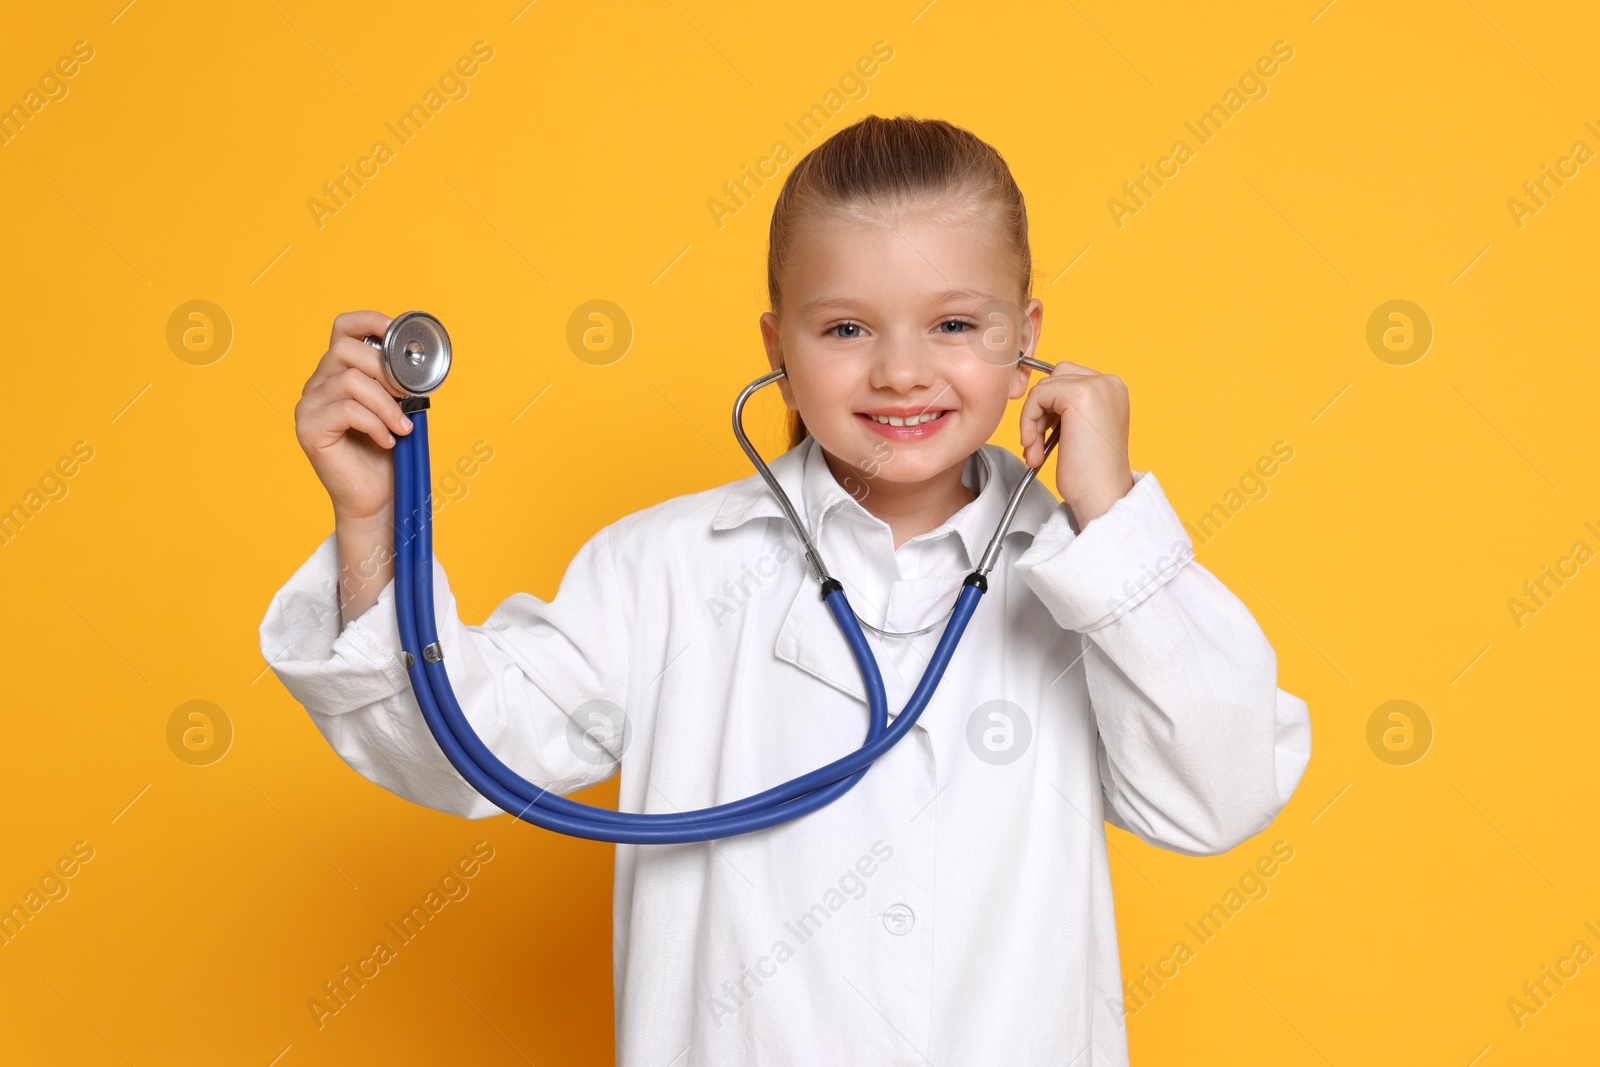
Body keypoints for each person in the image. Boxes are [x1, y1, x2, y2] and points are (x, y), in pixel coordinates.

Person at [259, 114, 1312, 1065]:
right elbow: (462, 751)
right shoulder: (665, 568)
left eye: (955, 324)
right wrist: (370, 521)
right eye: (845, 328)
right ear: (777, 347)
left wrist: (1114, 515)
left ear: (1026, 339)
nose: (901, 371)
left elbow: (1221, 793)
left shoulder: (1092, 570)